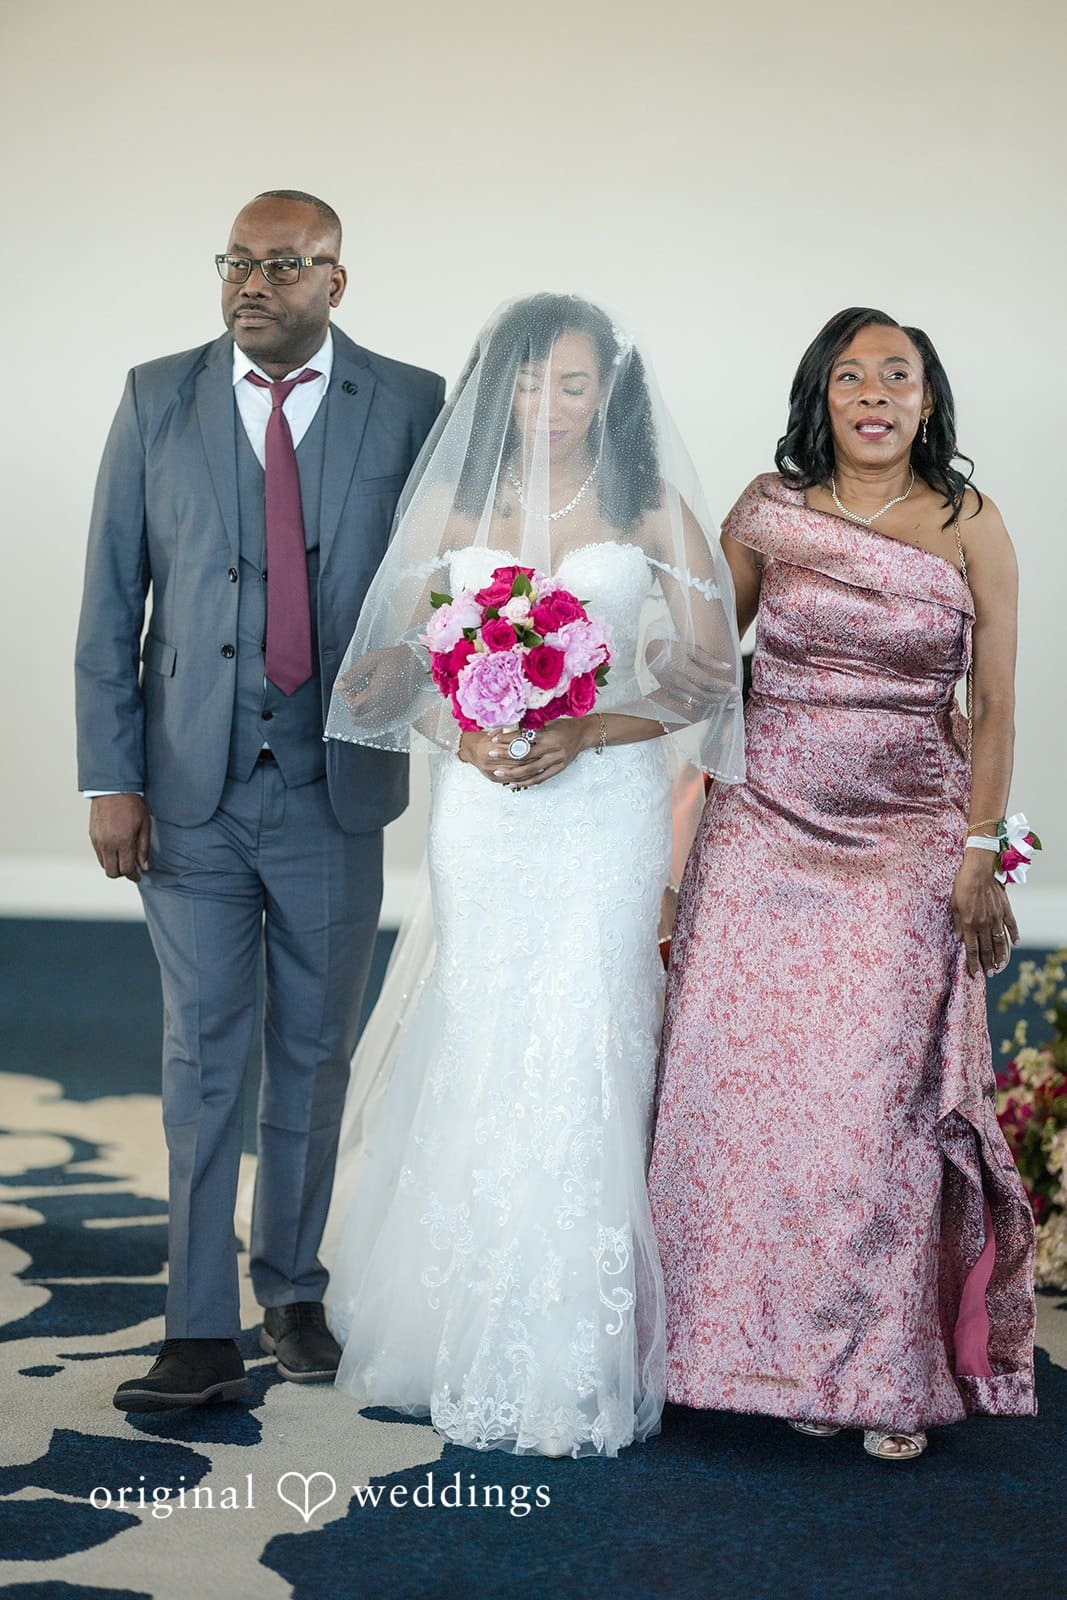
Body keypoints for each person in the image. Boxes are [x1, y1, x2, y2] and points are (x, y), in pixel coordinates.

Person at [320, 293, 745, 1458]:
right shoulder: (457, 503)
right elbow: (389, 669)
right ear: (492, 386)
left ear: (608, 389)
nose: (547, 406)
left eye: (571, 383)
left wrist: (589, 727)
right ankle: (447, 1320)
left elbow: (708, 678)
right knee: (484, 1027)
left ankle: (576, 1346)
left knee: (586, 1037)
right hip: (486, 813)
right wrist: (460, 723)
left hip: (601, 815)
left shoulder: (651, 510)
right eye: (526, 381)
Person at [75, 190, 444, 1411]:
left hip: (334, 787)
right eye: (236, 261)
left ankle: (291, 1287)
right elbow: (106, 610)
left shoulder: (409, 401)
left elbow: (439, 578)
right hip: (187, 793)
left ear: (335, 281)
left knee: (311, 1051)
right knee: (201, 1052)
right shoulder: (153, 396)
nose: (251, 284)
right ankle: (195, 1321)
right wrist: (112, 776)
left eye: (282, 265)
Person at [648, 307, 1037, 1460]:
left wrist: (978, 849)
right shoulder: (768, 512)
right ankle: (711, 1350)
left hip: (905, 833)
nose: (874, 392)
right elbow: (706, 659)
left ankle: (862, 1364)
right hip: (760, 822)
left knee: (869, 1103)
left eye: (898, 375)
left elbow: (998, 705)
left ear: (927, 399)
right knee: (735, 1085)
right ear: (820, 395)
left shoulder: (971, 523)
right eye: (851, 375)